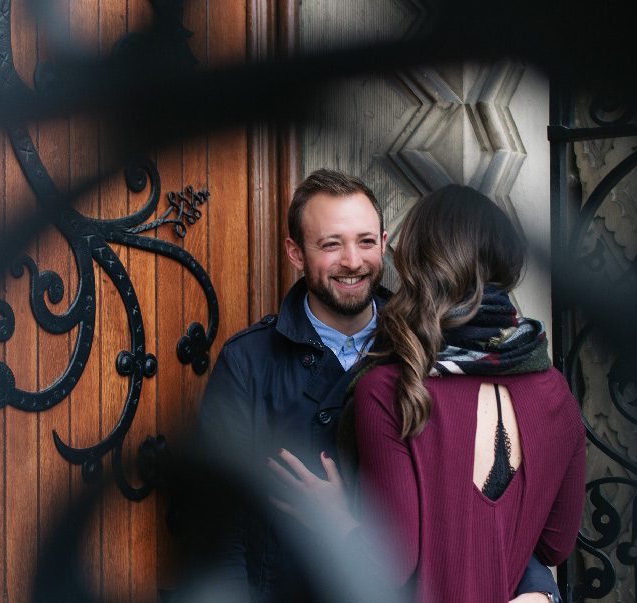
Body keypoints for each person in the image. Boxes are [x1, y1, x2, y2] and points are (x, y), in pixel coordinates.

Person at [198, 170, 562, 601]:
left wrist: (538, 591)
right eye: (331, 244)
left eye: (366, 242)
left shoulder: (444, 348)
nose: (353, 261)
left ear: (385, 243)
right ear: (295, 253)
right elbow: (218, 528)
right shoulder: (248, 362)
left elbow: (492, 505)